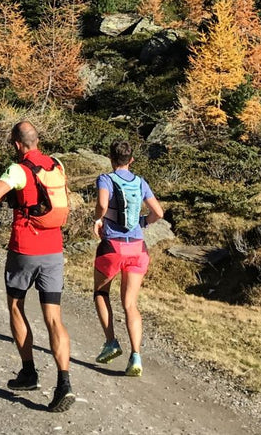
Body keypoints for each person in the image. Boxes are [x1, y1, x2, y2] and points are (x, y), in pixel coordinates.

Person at [0, 120, 74, 413]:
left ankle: (29, 372)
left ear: (17, 144)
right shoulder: (55, 165)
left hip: (25, 247)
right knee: (54, 318)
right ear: (37, 140)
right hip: (54, 249)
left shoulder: (18, 169)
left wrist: (9, 189)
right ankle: (64, 383)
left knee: (16, 307)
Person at [91, 139, 164, 378]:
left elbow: (102, 203)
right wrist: (143, 222)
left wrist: (98, 219)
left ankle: (111, 342)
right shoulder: (141, 182)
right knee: (130, 304)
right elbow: (158, 213)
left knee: (101, 293)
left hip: (113, 246)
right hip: (138, 248)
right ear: (131, 160)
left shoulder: (106, 179)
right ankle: (136, 356)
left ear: (111, 158)